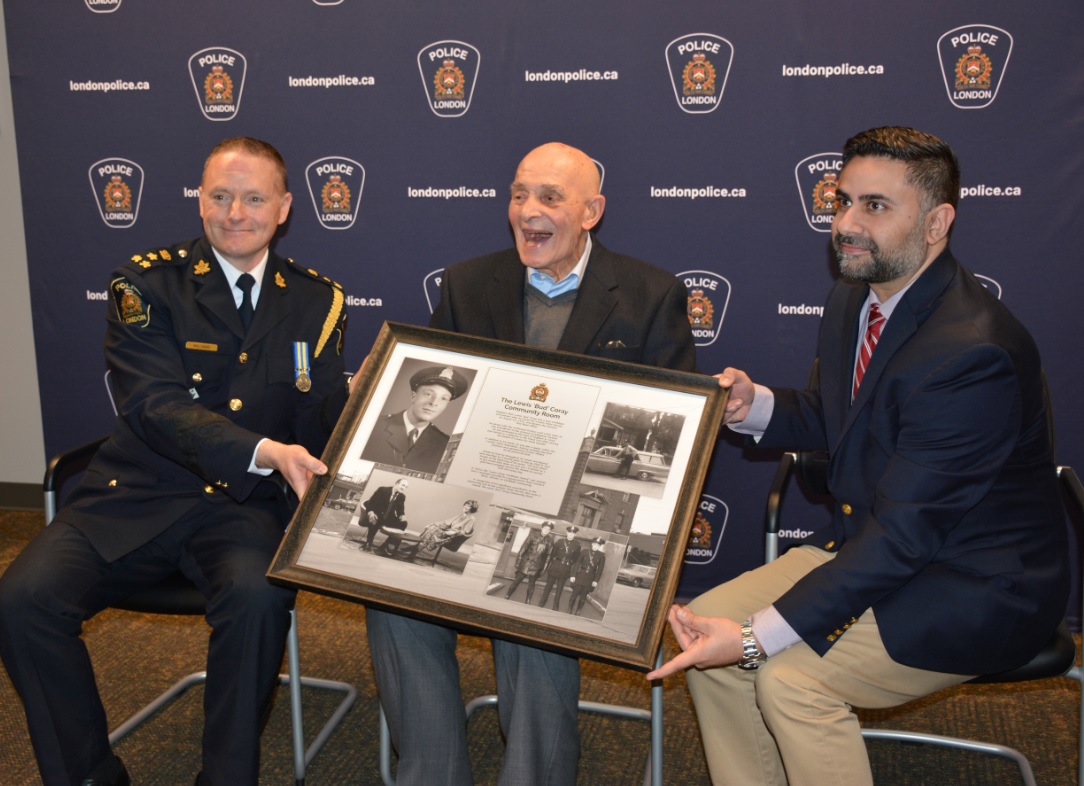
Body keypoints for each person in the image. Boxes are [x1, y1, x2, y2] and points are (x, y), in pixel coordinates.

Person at [646, 126, 1070, 786]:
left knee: (789, 679)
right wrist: (752, 405)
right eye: (842, 201)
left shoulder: (972, 352)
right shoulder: (857, 297)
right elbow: (835, 419)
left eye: (875, 206)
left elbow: (905, 536)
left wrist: (760, 635)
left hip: (974, 587)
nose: (845, 223)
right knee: (710, 641)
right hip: (882, 550)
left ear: (937, 222)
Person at [0, 137, 358, 786]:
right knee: (23, 601)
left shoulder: (317, 301)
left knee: (256, 599)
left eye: (253, 198)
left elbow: (320, 417)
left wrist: (361, 408)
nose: (234, 212)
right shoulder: (145, 282)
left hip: (242, 511)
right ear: (199, 199)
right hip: (136, 492)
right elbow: (153, 406)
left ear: (284, 207)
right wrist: (264, 451)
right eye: (219, 196)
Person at [366, 141, 697, 785]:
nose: (528, 210)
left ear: (592, 211)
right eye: (519, 194)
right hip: (475, 489)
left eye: (550, 197)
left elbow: (680, 433)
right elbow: (447, 408)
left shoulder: (650, 294)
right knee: (391, 595)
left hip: (566, 508)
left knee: (531, 609)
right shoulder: (467, 283)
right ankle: (432, 772)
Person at [361, 365, 469, 473]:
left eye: (444, 398)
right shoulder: (373, 425)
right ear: (413, 396)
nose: (434, 403)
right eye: (428, 394)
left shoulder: (443, 444)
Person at [504, 521, 555, 604]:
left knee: (532, 584)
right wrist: (518, 561)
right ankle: (507, 595)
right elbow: (523, 548)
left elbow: (548, 556)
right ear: (542, 528)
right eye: (545, 528)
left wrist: (544, 569)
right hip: (526, 563)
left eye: (548, 529)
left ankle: (528, 600)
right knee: (517, 580)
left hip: (537, 566)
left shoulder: (550, 541)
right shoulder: (533, 535)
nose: (546, 530)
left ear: (550, 531)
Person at [361, 477, 409, 555]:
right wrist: (371, 513)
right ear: (396, 483)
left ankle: (384, 546)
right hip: (378, 514)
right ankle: (368, 543)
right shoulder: (382, 490)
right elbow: (370, 503)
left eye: (406, 487)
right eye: (403, 485)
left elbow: (400, 510)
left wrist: (402, 516)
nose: (404, 488)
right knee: (375, 519)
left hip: (389, 518)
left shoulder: (402, 496)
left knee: (403, 523)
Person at [539, 525, 580, 610]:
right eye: (569, 532)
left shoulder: (577, 545)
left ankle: (555, 606)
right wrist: (548, 566)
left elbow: (575, 558)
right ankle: (541, 603)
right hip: (555, 567)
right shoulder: (559, 542)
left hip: (565, 569)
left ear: (575, 535)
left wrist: (570, 562)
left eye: (573, 533)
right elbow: (552, 555)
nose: (571, 535)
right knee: (548, 587)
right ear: (567, 533)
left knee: (559, 589)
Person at [567, 536, 607, 616]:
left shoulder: (601, 556)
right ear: (592, 544)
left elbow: (600, 570)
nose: (595, 546)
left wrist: (596, 580)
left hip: (590, 578)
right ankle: (569, 609)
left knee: (583, 596)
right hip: (580, 575)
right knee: (574, 594)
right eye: (595, 544)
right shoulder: (584, 552)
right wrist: (573, 575)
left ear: (600, 546)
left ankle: (578, 611)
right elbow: (577, 563)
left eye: (598, 545)